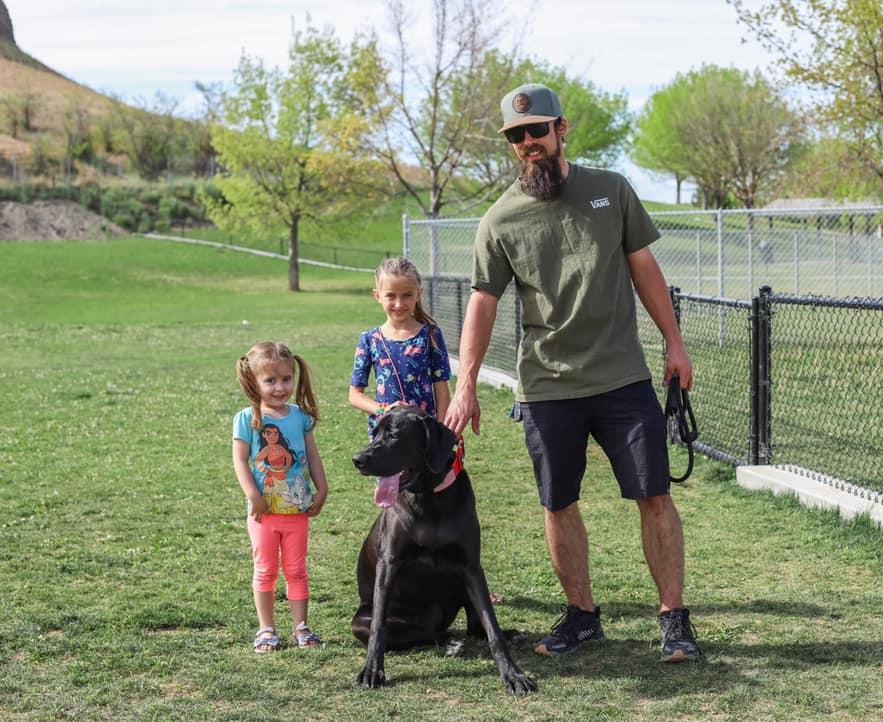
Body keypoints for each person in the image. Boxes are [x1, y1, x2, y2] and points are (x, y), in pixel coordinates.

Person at [444, 83, 701, 662]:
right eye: (516, 136)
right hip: (547, 386)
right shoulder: (500, 219)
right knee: (558, 503)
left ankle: (674, 619)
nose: (528, 143)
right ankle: (583, 616)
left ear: (562, 129)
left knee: (654, 495)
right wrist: (466, 384)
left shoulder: (611, 190)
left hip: (622, 379)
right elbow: (482, 302)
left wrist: (675, 343)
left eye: (537, 130)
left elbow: (645, 269)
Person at [349, 258, 504, 603]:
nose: (399, 304)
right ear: (377, 295)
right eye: (391, 296)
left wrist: (451, 434)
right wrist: (381, 410)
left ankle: (465, 578)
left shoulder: (430, 335)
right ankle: (400, 573)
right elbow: (354, 394)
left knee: (447, 509)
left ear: (418, 294)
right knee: (397, 507)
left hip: (426, 443)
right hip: (391, 444)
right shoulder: (370, 340)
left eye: (407, 295)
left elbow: (441, 387)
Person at [233, 341, 329, 653]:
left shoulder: (300, 417)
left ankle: (302, 627)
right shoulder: (247, 418)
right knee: (265, 570)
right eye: (270, 380)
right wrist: (253, 495)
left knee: (297, 570)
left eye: (286, 379)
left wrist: (322, 487)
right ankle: (266, 629)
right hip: (263, 514)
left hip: (297, 512)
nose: (280, 387)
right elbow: (240, 461)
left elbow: (312, 456)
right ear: (254, 381)